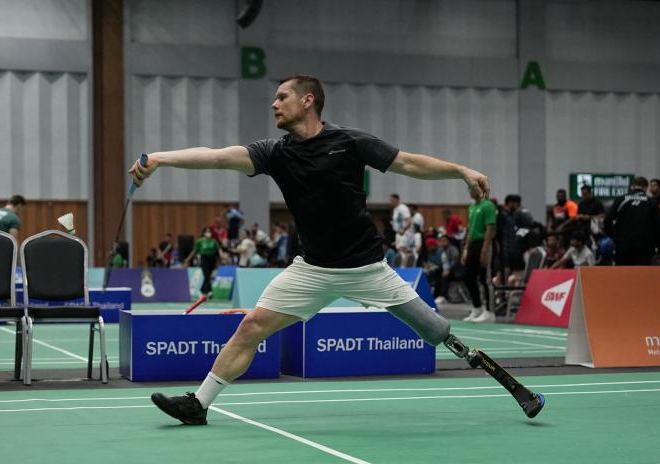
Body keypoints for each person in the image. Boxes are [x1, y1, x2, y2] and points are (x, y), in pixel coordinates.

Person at [130, 74, 490, 425]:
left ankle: (466, 352)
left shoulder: (350, 142)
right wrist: (160, 158)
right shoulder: (275, 153)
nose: (274, 104)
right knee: (251, 326)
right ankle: (199, 404)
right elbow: (218, 157)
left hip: (368, 268)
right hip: (312, 270)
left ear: (308, 100)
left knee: (434, 329)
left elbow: (409, 163)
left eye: (282, 96)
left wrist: (460, 171)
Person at [604, 176, 660, 265]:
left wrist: (614, 236)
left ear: (632, 186)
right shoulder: (652, 202)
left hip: (623, 246)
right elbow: (659, 227)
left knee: (623, 275)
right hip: (645, 247)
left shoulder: (620, 200)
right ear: (646, 188)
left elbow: (607, 221)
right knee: (642, 276)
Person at [462, 188, 497, 323]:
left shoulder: (488, 205)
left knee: (485, 279)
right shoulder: (471, 207)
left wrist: (485, 250)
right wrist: (466, 249)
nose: (470, 191)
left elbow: (490, 228)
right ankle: (477, 307)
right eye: (469, 188)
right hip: (472, 245)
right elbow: (470, 229)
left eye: (473, 188)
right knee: (468, 277)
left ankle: (489, 312)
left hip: (484, 244)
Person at [184, 227, 223, 298]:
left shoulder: (214, 241)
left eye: (209, 232)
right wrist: (188, 259)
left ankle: (202, 290)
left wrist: (222, 256)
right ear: (204, 233)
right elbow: (194, 251)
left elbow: (219, 250)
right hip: (204, 259)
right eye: (207, 232)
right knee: (206, 275)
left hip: (212, 259)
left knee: (208, 276)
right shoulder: (200, 241)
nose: (208, 233)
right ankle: (210, 291)